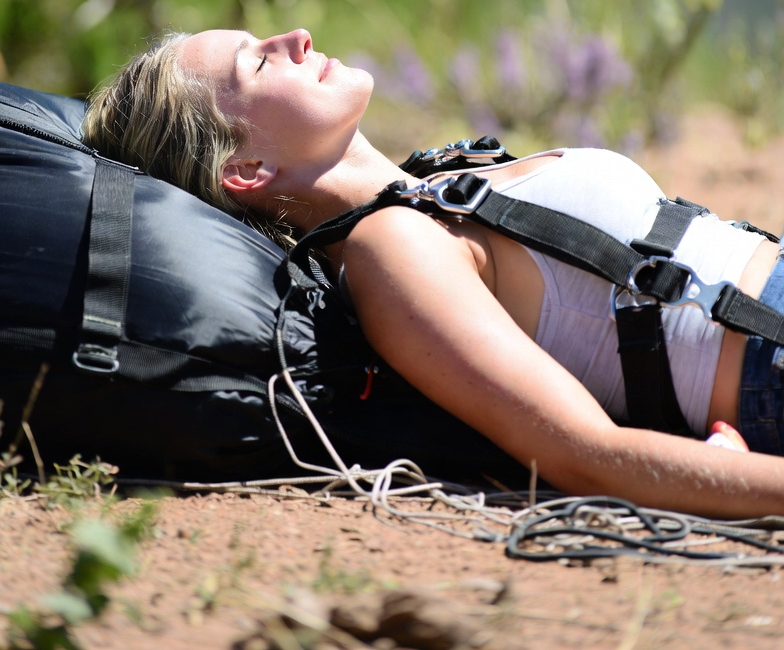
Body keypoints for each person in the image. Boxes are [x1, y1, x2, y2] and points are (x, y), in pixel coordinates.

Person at [81, 26, 784, 517]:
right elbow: (581, 453)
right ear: (246, 169)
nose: (293, 37)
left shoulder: (435, 180)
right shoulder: (391, 251)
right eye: (258, 63)